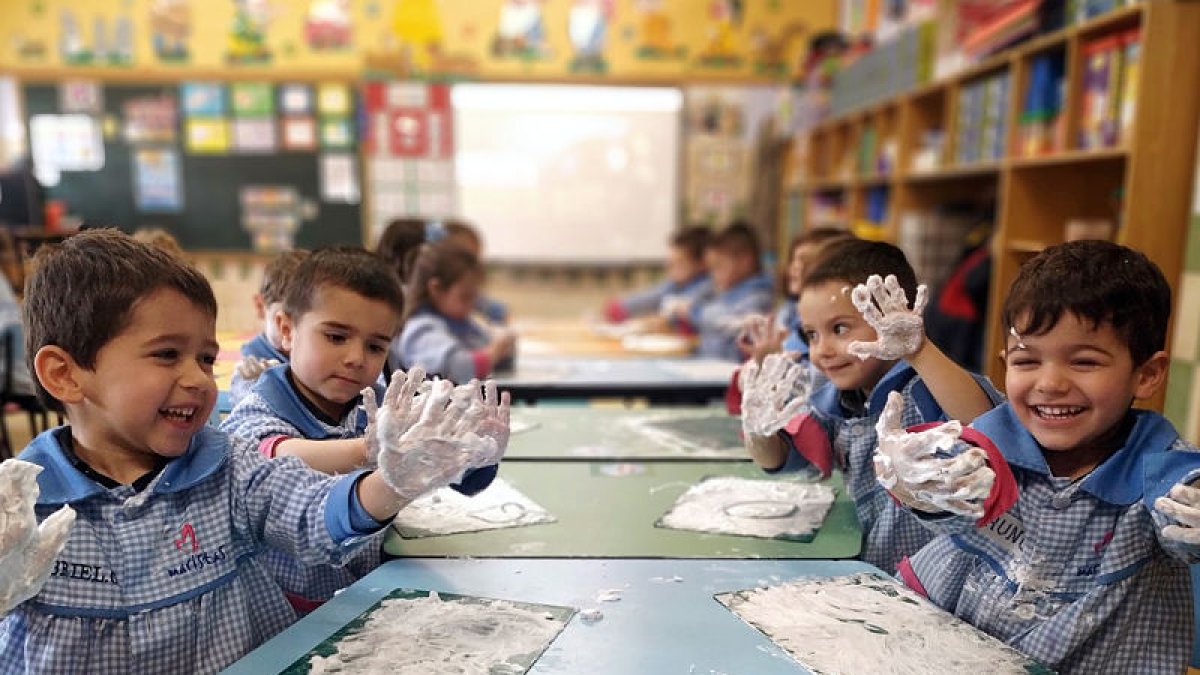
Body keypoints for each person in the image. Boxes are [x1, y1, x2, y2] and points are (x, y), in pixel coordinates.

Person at [0, 229, 509, 672]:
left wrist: (392, 483)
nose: (199, 379)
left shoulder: (225, 465)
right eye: (167, 355)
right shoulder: (20, 508)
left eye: (205, 358)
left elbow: (312, 512)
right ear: (66, 375)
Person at [873, 240, 1200, 673]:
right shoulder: (995, 441)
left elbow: (1187, 491)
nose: (1049, 383)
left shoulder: (1158, 466)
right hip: (948, 648)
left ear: (1147, 374)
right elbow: (951, 498)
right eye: (1027, 361)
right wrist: (916, 485)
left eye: (1083, 361)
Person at [220, 247, 499, 609]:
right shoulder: (257, 409)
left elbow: (458, 477)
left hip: (368, 594)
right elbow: (277, 453)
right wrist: (371, 450)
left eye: (375, 346)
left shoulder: (379, 403)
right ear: (287, 331)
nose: (355, 358)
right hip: (291, 614)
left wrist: (473, 455)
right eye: (336, 337)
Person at [737, 238, 1002, 574]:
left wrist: (919, 351)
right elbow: (794, 462)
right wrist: (759, 434)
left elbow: (986, 421)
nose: (822, 350)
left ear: (891, 314)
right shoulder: (838, 399)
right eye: (811, 335)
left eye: (839, 328)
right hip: (875, 572)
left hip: (941, 584)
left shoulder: (924, 386)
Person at [394, 242, 516, 383]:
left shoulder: (461, 322)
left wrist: (504, 347)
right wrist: (494, 352)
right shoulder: (421, 330)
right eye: (465, 297)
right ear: (436, 289)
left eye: (474, 297)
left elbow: (501, 362)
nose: (472, 305)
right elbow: (461, 369)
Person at [673, 221, 773, 361]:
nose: (713, 275)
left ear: (745, 261)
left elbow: (730, 321)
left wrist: (696, 312)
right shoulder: (726, 290)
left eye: (718, 266)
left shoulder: (758, 297)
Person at [228, 249, 310, 406]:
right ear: (260, 306)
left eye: (307, 322)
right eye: (284, 321)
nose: (297, 333)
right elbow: (246, 408)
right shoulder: (251, 365)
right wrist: (258, 386)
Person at [602, 226, 712, 325]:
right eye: (670, 261)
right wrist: (620, 307)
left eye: (679, 263)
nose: (669, 267)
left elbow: (673, 318)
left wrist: (655, 321)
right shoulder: (675, 283)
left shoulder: (706, 285)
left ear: (702, 264)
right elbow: (651, 297)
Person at [442, 219, 508, 324]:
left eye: (477, 259)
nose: (475, 267)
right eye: (468, 260)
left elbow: (499, 312)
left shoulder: (472, 295)